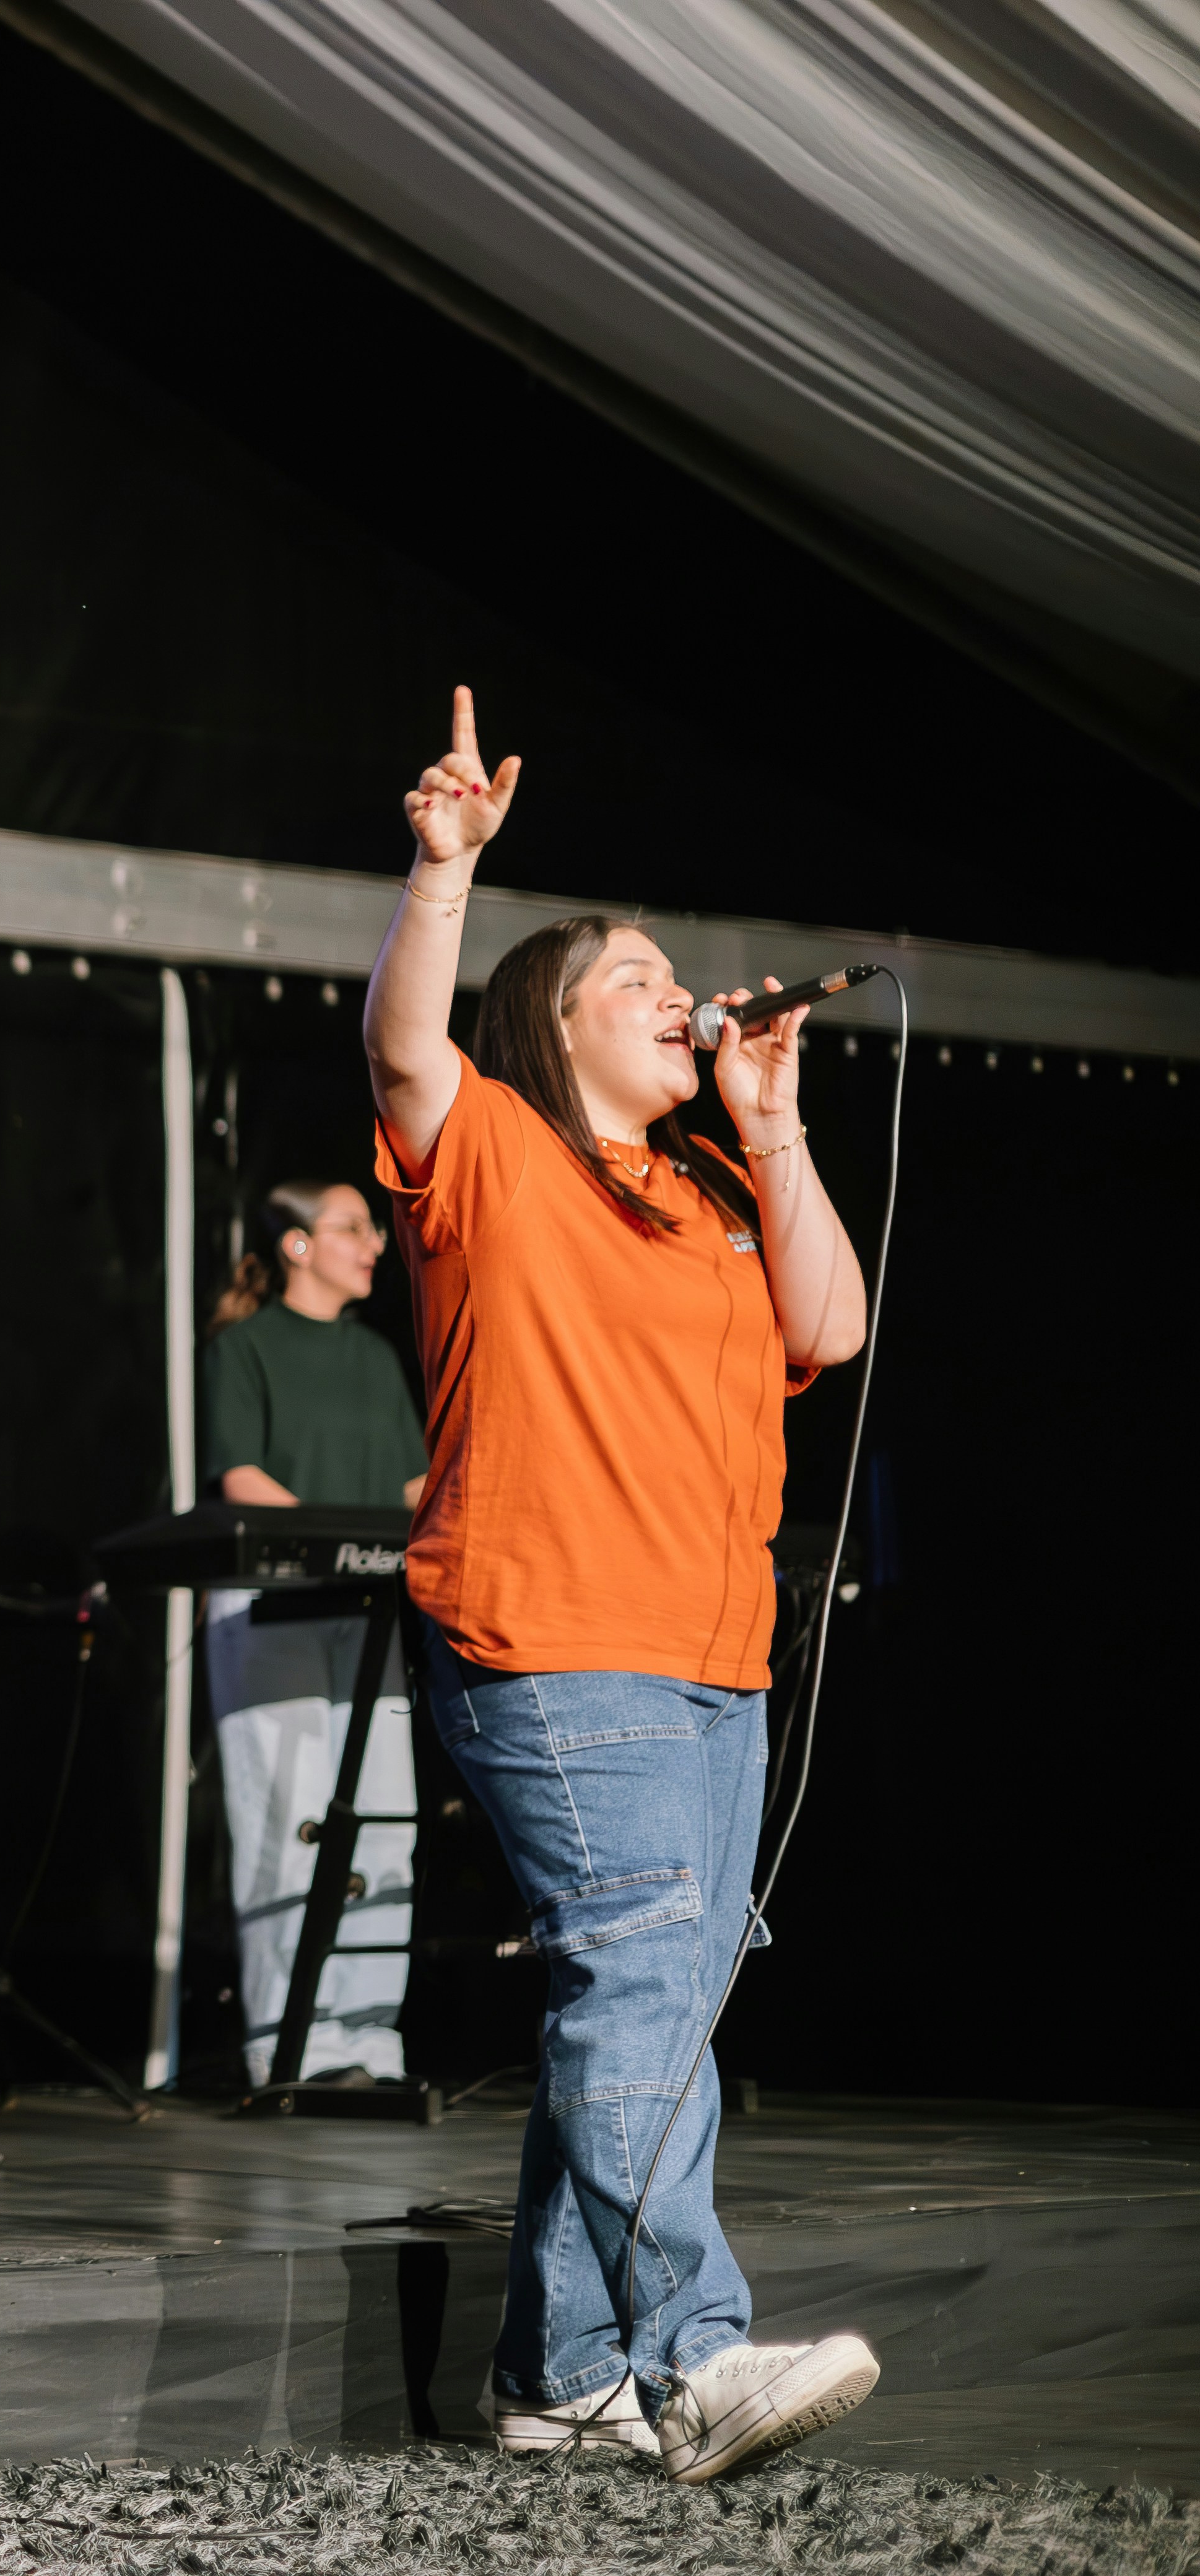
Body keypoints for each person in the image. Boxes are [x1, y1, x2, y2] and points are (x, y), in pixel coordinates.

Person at [370, 687, 879, 2479]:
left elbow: (835, 1326)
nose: (684, 999)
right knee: (644, 1984)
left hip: (714, 1655)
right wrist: (444, 874)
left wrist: (776, 1117)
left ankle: (550, 2370)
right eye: (642, 984)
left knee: (645, 2000)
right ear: (553, 1024)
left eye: (684, 979)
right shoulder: (496, 1150)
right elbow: (405, 1053)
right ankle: (696, 2354)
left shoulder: (715, 1194)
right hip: (554, 1637)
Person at [202, 1178, 430, 2086]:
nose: (374, 1241)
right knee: (287, 1821)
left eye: (373, 1227)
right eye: (351, 1227)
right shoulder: (246, 1347)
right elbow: (243, 1479)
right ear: (296, 1244)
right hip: (276, 1604)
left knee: (383, 1822)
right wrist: (338, 1549)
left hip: (368, 1604)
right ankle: (289, 2046)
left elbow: (414, 1486)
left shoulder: (375, 1356)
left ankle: (368, 2040)